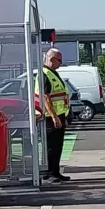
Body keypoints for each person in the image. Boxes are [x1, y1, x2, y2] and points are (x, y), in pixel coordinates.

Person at [35, 48, 70, 183]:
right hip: (50, 117)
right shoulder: (44, 73)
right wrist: (55, 116)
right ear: (51, 59)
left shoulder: (52, 73)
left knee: (58, 145)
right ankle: (50, 173)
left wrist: (63, 116)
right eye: (59, 60)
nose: (61, 63)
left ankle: (55, 171)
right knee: (52, 146)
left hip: (58, 115)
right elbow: (46, 97)